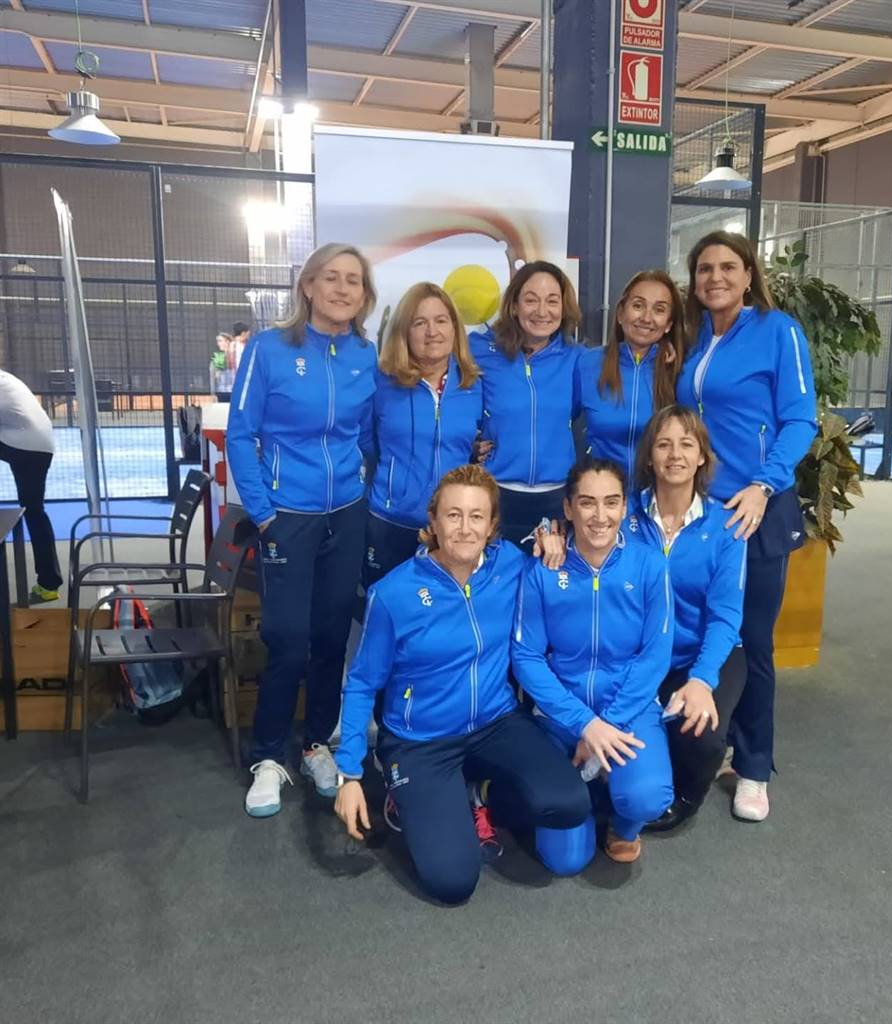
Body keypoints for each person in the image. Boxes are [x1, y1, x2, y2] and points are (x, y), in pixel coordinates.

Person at [334, 465, 592, 905]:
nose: (465, 528)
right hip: (421, 741)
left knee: (569, 802)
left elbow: (555, 553)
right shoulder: (393, 594)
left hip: (496, 722)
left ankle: (478, 793)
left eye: (477, 516)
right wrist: (349, 773)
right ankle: (408, 796)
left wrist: (551, 536)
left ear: (492, 526)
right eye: (453, 515)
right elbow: (361, 683)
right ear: (433, 522)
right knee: (453, 882)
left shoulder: (510, 565)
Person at [227, 243, 377, 818]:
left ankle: (316, 744)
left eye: (353, 281)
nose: (342, 289)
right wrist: (264, 512)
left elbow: (368, 436)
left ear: (364, 295)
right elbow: (241, 434)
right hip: (287, 517)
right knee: (288, 639)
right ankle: (268, 757)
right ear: (308, 286)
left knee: (332, 638)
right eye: (331, 278)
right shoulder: (268, 349)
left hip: (347, 514)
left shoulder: (364, 355)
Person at [676, 231, 816, 823]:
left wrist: (764, 483)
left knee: (752, 642)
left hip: (757, 510)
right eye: (705, 269)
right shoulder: (694, 338)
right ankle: (717, 744)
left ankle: (754, 768)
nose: (716, 278)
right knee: (706, 633)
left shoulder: (778, 331)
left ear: (749, 273)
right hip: (703, 514)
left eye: (727, 267)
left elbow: (801, 419)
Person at [512, 458, 673, 864]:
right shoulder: (543, 569)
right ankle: (585, 793)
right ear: (568, 508)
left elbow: (655, 655)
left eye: (611, 502)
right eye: (587, 503)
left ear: (624, 507)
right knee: (565, 861)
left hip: (628, 713)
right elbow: (527, 657)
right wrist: (585, 724)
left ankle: (623, 823)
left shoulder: (650, 565)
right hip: (560, 717)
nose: (600, 516)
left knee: (647, 797)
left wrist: (608, 726)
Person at [626, 406, 747, 831]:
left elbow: (725, 616)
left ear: (701, 457)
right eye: (663, 444)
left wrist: (701, 680)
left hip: (702, 654)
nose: (675, 454)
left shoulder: (727, 527)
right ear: (649, 457)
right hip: (643, 655)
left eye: (686, 444)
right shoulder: (623, 517)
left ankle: (686, 797)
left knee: (701, 734)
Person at [364, 282, 483, 589]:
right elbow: (364, 441)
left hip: (452, 529)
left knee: (444, 613)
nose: (432, 332)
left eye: (441, 321)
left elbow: (479, 441)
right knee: (386, 609)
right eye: (420, 323)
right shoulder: (382, 382)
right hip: (390, 523)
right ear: (404, 331)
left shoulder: (474, 384)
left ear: (454, 328)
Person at [469, 261, 582, 545]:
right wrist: (469, 444)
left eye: (552, 301)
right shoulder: (480, 349)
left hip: (556, 499)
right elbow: (452, 402)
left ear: (564, 308)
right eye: (531, 300)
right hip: (495, 494)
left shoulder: (578, 358)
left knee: (547, 574)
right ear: (514, 305)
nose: (542, 311)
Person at [576, 270, 685, 492]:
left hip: (660, 500)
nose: (646, 317)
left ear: (668, 324)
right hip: (603, 499)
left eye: (659, 310)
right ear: (620, 314)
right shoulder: (586, 363)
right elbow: (555, 420)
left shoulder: (681, 369)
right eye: (638, 305)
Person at [0, 369, 63, 603]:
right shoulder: (6, 378)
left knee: (34, 511)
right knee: (35, 511)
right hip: (40, 445)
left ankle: (49, 582)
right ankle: (49, 584)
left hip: (23, 443)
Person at [210, 331, 234, 401]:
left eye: (220, 341)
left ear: (227, 342)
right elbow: (214, 377)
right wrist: (213, 394)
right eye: (218, 341)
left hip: (235, 391)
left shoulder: (236, 354)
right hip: (222, 392)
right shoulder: (219, 356)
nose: (218, 344)